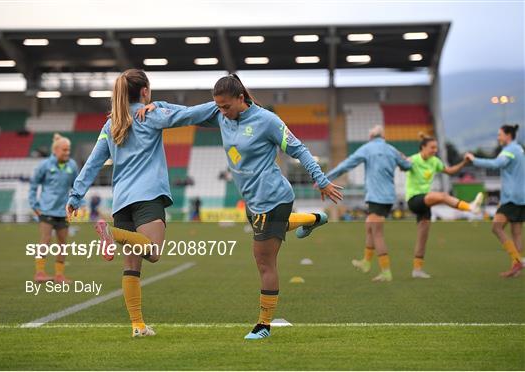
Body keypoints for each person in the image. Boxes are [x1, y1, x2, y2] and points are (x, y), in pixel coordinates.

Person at [137, 74, 343, 340]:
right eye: (218, 107)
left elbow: (299, 149)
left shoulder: (267, 121)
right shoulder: (221, 113)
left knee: (264, 260)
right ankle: (311, 219)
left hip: (274, 197)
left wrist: (322, 180)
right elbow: (187, 114)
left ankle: (264, 325)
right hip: (253, 201)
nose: (221, 112)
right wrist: (158, 104)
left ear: (241, 98)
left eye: (226, 106)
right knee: (269, 237)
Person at [65, 69, 217, 337]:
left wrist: (75, 196)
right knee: (154, 253)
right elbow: (192, 114)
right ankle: (112, 234)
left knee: (132, 265)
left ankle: (137, 326)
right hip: (147, 196)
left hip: (121, 200)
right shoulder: (150, 114)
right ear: (145, 91)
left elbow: (93, 163)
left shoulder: (110, 124)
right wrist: (227, 104)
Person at [325, 125, 411, 282]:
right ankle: (366, 261)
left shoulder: (368, 148)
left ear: (371, 136)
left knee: (377, 233)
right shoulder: (392, 150)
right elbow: (407, 166)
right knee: (369, 226)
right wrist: (405, 159)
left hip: (376, 197)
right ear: (383, 137)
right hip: (388, 197)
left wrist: (326, 179)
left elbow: (347, 165)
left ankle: (386, 272)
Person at [406, 134, 483, 278]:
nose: (435, 150)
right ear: (423, 148)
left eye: (436, 147)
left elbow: (450, 171)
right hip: (414, 200)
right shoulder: (414, 160)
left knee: (422, 238)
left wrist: (464, 163)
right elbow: (404, 166)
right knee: (442, 196)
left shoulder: (435, 161)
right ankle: (470, 207)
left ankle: (417, 270)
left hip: (425, 202)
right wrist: (403, 161)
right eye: (432, 147)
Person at [465, 124, 524, 277]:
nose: (498, 137)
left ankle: (517, 261)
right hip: (521, 196)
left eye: (500, 134)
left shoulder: (509, 150)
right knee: (516, 232)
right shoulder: (519, 149)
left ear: (508, 135)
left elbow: (496, 164)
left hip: (512, 197)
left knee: (496, 227)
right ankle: (516, 267)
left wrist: (474, 159)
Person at [29, 133, 78, 283]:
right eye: (64, 150)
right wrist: (34, 205)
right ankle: (40, 273)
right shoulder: (45, 165)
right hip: (46, 210)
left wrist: (76, 204)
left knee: (63, 244)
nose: (67, 153)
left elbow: (76, 186)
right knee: (45, 240)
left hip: (63, 211)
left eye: (68, 150)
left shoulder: (72, 165)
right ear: (55, 150)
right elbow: (33, 185)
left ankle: (59, 275)